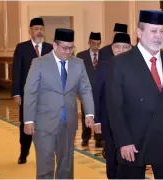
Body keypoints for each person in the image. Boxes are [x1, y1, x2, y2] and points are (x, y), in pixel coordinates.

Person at [106, 10, 163, 179]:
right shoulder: (121, 63)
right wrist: (123, 141)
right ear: (139, 33)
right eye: (153, 31)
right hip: (134, 139)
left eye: (161, 31)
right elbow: (115, 106)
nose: (158, 36)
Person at [23, 28, 95, 179]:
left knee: (66, 164)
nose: (68, 52)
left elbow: (85, 89)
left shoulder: (78, 64)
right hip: (44, 123)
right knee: (45, 164)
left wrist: (89, 113)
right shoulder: (39, 63)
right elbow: (31, 91)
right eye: (65, 48)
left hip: (68, 122)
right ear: (55, 46)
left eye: (71, 48)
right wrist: (28, 120)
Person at [11, 17, 53, 164]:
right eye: (36, 29)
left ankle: (45, 153)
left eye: (41, 29)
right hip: (27, 94)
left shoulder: (51, 48)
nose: (39, 31)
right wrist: (16, 93)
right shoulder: (21, 48)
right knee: (26, 123)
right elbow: (16, 71)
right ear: (30, 32)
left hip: (48, 95)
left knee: (47, 124)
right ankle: (24, 151)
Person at [94, 33, 133, 178]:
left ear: (131, 48)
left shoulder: (137, 67)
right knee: (112, 153)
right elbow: (96, 93)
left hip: (132, 120)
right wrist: (97, 119)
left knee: (130, 155)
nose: (121, 50)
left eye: (125, 47)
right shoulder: (104, 67)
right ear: (112, 48)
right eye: (118, 47)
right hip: (109, 118)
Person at [76, 32, 103, 147]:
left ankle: (99, 138)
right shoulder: (81, 55)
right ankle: (85, 137)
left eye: (98, 44)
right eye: (93, 43)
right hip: (85, 91)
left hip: (101, 91)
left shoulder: (104, 55)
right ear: (89, 42)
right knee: (86, 114)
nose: (96, 46)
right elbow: (77, 74)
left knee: (99, 114)